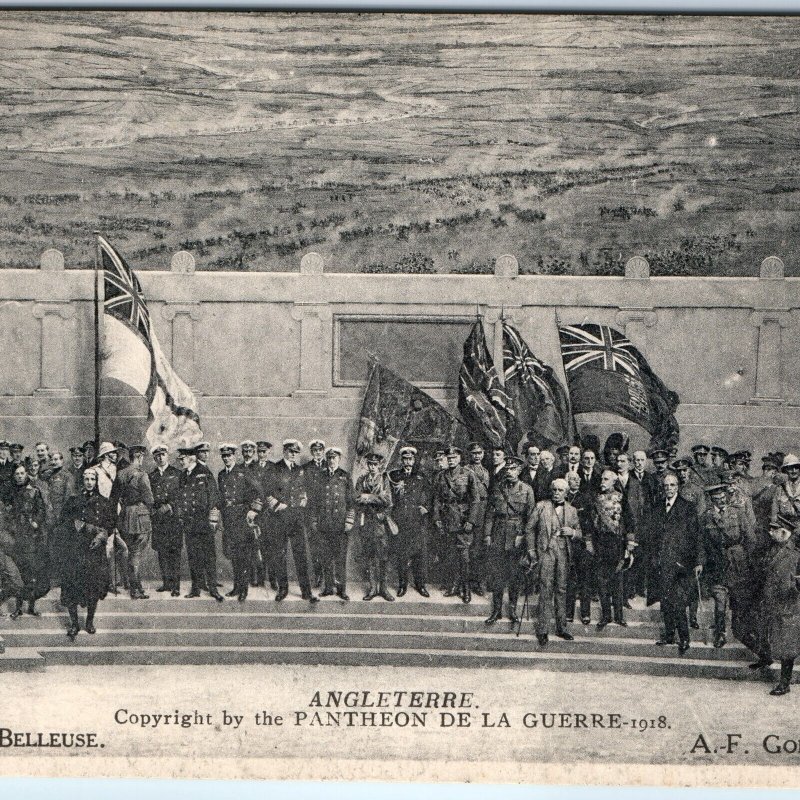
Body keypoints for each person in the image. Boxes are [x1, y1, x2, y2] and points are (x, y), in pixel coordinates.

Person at [60, 467, 114, 639]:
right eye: (86, 479)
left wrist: (102, 536)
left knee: (93, 587)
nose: (89, 482)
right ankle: (74, 624)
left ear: (96, 481)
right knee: (72, 587)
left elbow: (111, 524)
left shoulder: (104, 502)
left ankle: (89, 622)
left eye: (92, 479)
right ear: (82, 481)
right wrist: (79, 525)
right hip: (75, 550)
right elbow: (64, 521)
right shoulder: (73, 501)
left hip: (94, 550)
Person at [652, 473, 703, 654]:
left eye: (672, 485)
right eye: (666, 486)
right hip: (663, 563)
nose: (669, 489)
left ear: (678, 487)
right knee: (665, 601)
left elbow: (696, 536)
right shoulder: (657, 507)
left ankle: (684, 638)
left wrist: (698, 561)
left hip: (682, 564)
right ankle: (668, 635)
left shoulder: (688, 507)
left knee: (679, 602)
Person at [529, 477, 582, 645]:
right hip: (546, 552)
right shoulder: (541, 506)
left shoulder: (572, 510)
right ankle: (543, 630)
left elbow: (580, 533)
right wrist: (531, 550)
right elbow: (529, 528)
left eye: (560, 491)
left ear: (566, 493)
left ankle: (562, 628)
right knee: (545, 589)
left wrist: (572, 533)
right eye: (554, 490)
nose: (557, 493)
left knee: (562, 589)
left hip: (564, 554)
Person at [483, 456, 536, 625]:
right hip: (498, 532)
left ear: (519, 471)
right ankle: (497, 610)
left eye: (513, 469)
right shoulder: (498, 488)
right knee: (498, 574)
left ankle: (512, 610)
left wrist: (525, 538)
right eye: (507, 469)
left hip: (517, 535)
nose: (510, 472)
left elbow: (531, 518)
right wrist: (487, 535)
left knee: (514, 574)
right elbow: (490, 514)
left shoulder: (527, 490)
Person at [266, 440, 318, 603]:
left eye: (296, 452)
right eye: (290, 451)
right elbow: (266, 491)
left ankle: (306, 591)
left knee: (301, 555)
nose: (293, 454)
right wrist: (276, 504)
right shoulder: (274, 468)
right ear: (284, 451)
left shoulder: (300, 470)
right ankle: (283, 589)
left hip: (296, 518)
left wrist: (304, 499)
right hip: (279, 518)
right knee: (280, 555)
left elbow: (304, 490)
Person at [700, 482, 749, 648]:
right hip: (716, 564)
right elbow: (701, 544)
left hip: (736, 563)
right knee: (720, 602)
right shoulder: (706, 517)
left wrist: (745, 559)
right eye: (717, 499)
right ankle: (720, 634)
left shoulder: (737, 513)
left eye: (723, 498)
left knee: (738, 599)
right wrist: (701, 562)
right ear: (711, 500)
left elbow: (750, 538)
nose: (721, 501)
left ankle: (742, 632)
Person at [432, 446, 481, 603]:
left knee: (464, 557)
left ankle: (466, 588)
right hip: (447, 519)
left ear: (460, 458)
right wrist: (437, 518)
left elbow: (475, 500)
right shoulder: (441, 476)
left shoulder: (468, 475)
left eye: (454, 457)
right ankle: (454, 586)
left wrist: (471, 521)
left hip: (462, 520)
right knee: (450, 554)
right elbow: (437, 499)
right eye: (449, 457)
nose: (451, 460)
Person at [176, 444, 223, 602]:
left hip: (204, 522)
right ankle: (196, 589)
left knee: (209, 556)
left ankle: (213, 589)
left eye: (182, 459)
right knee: (193, 556)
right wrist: (181, 517)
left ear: (191, 458)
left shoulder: (204, 472)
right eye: (179, 459)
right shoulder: (183, 476)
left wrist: (213, 519)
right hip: (190, 523)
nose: (180, 462)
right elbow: (181, 498)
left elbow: (214, 498)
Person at [217, 443, 263, 602]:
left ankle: (243, 590)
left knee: (243, 556)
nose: (226, 458)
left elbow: (259, 492)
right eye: (224, 456)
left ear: (235, 456)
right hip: (228, 518)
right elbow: (222, 499)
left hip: (241, 518)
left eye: (229, 455)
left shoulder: (244, 472)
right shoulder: (221, 474)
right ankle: (237, 587)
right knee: (234, 555)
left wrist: (254, 510)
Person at [759, 517, 800, 696]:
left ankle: (784, 683)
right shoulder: (775, 549)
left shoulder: (795, 554)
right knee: (783, 644)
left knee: (788, 645)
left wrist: (793, 589)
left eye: (774, 530)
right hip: (776, 605)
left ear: (784, 532)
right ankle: (785, 682)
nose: (771, 533)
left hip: (790, 605)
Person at [388, 446, 431, 598]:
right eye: (405, 459)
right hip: (400, 520)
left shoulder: (421, 476)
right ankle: (402, 585)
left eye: (410, 459)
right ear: (401, 460)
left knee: (419, 555)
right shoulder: (394, 476)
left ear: (414, 460)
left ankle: (420, 585)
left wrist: (425, 507)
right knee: (402, 555)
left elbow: (429, 495)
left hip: (416, 521)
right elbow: (389, 496)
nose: (407, 462)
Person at [7, 463, 49, 619]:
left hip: (31, 538)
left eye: (22, 473)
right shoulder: (9, 492)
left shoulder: (34, 491)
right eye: (17, 474)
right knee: (18, 574)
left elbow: (41, 510)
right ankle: (18, 608)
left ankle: (31, 606)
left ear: (26, 474)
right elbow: (7, 513)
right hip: (15, 538)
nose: (19, 476)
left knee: (32, 573)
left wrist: (36, 522)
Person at [354, 452, 395, 601]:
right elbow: (357, 498)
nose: (372, 467)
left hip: (380, 522)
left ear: (379, 466)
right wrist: (373, 498)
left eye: (375, 464)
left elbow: (388, 500)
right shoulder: (361, 480)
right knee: (370, 556)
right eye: (370, 464)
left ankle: (383, 589)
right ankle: (372, 589)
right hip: (366, 521)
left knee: (383, 556)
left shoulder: (384, 479)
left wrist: (368, 497)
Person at [116, 444, 154, 599]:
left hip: (125, 516)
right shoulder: (141, 474)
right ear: (138, 456)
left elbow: (116, 497)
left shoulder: (120, 474)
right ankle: (135, 590)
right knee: (135, 555)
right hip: (139, 516)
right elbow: (149, 498)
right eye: (142, 456)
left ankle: (136, 587)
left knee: (131, 553)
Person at [316, 447, 354, 600]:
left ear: (339, 458)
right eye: (330, 458)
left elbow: (351, 502)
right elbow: (315, 502)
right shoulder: (321, 476)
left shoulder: (345, 476)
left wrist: (349, 520)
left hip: (340, 525)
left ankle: (341, 589)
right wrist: (314, 521)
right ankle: (328, 588)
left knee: (340, 559)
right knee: (326, 558)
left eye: (335, 457)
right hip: (325, 524)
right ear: (327, 459)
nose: (332, 461)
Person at [591, 493, 634, 629]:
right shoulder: (597, 500)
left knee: (618, 584)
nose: (603, 482)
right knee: (602, 584)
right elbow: (591, 523)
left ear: (613, 482)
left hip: (618, 546)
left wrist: (630, 542)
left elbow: (629, 521)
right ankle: (606, 616)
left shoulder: (622, 499)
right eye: (602, 478)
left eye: (606, 479)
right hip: (601, 546)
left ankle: (619, 617)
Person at [95, 441, 129, 593]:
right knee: (107, 549)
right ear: (104, 455)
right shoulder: (94, 471)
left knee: (123, 548)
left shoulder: (119, 471)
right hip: (102, 514)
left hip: (119, 513)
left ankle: (123, 580)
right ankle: (109, 583)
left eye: (115, 453)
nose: (115, 455)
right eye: (112, 453)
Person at [149, 444, 183, 597]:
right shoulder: (152, 476)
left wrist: (169, 506)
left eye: (163, 454)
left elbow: (183, 495)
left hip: (173, 519)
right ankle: (166, 583)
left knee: (174, 552)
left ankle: (176, 586)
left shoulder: (177, 474)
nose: (160, 458)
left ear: (167, 456)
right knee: (162, 552)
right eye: (157, 456)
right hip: (158, 520)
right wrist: (153, 510)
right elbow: (149, 497)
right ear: (154, 458)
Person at [464, 442, 489, 596]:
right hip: (469, 510)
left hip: (483, 511)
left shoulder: (486, 471)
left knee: (479, 549)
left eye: (479, 453)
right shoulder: (465, 470)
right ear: (470, 455)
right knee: (466, 548)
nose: (477, 456)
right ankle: (464, 583)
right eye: (474, 453)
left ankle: (478, 582)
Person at [252, 440, 277, 590]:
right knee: (257, 546)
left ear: (269, 452)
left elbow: (277, 489)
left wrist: (270, 502)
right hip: (256, 512)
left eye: (264, 452)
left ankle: (272, 579)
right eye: (259, 452)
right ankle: (260, 579)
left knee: (271, 547)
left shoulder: (274, 468)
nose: (262, 454)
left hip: (270, 512)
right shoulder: (252, 468)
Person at [303, 438, 328, 588]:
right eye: (315, 450)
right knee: (314, 546)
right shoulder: (306, 468)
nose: (317, 453)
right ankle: (318, 575)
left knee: (327, 545)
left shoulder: (330, 465)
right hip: (311, 511)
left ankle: (328, 577)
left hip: (327, 512)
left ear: (323, 451)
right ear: (311, 452)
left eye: (320, 450)